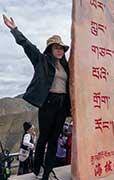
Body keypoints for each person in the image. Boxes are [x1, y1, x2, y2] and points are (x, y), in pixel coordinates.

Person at [3, 15, 71, 180]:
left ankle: (47, 171)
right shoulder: (41, 60)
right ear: (50, 49)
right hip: (47, 103)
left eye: (61, 48)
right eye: (56, 47)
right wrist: (14, 29)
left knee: (54, 139)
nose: (59, 50)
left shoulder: (66, 66)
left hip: (62, 104)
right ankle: (37, 168)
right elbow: (26, 45)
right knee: (44, 138)